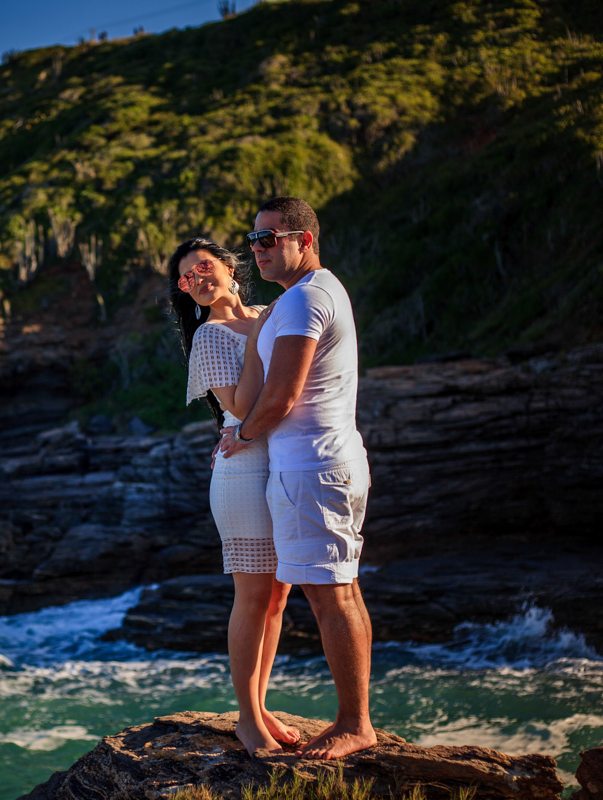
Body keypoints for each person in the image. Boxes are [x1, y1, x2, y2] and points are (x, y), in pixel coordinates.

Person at [217, 197, 377, 759]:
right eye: (252, 239)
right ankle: (354, 719)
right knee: (341, 591)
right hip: (325, 463)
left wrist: (242, 436)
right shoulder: (313, 293)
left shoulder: (306, 299)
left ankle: (356, 724)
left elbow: (282, 394)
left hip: (313, 468)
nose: (256, 249)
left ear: (303, 239)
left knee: (332, 596)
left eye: (268, 238)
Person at [167, 237, 298, 755]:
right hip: (242, 471)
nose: (196, 279)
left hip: (286, 460)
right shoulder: (210, 335)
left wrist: (264, 323)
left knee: (280, 595)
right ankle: (247, 719)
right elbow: (242, 406)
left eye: (202, 267)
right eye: (185, 278)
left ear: (228, 267)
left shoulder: (272, 310)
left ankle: (260, 704)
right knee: (252, 595)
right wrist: (261, 330)